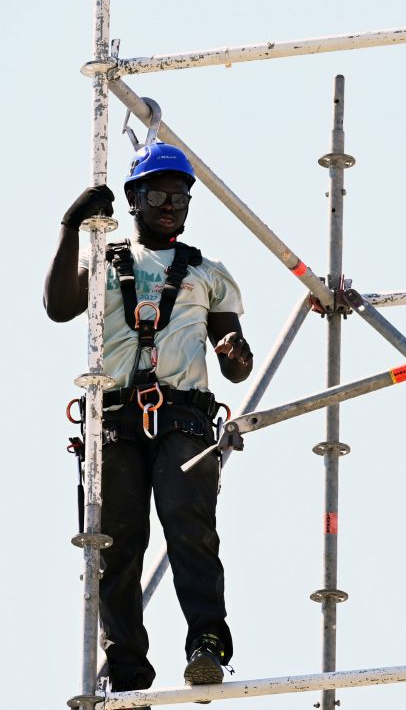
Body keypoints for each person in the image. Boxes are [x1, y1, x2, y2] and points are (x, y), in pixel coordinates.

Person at [45, 142, 253, 695]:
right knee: (115, 543)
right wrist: (72, 226)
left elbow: (236, 363)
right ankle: (129, 674)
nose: (171, 204)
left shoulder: (208, 273)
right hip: (114, 420)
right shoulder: (105, 260)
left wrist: (233, 349)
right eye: (159, 193)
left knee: (190, 528)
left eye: (180, 196)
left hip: (182, 417)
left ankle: (207, 643)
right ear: (134, 198)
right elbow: (58, 305)